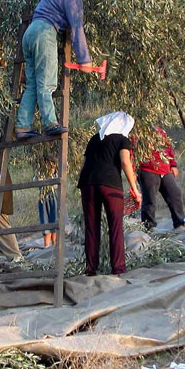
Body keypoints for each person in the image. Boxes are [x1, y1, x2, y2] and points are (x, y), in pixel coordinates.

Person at [15, 0, 93, 140]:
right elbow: (77, 29)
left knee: (32, 84)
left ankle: (22, 127)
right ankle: (50, 123)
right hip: (44, 34)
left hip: (30, 32)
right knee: (47, 82)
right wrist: (85, 60)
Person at [77, 111, 141, 276]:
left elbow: (82, 167)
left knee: (91, 227)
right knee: (115, 227)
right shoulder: (122, 139)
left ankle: (91, 269)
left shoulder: (94, 139)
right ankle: (118, 268)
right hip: (110, 185)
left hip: (88, 184)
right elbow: (125, 162)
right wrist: (135, 188)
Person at [137, 128, 185, 233]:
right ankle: (149, 228)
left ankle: (180, 224)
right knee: (150, 200)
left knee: (175, 194)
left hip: (165, 170)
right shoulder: (137, 133)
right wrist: (133, 170)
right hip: (147, 170)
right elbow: (132, 153)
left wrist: (173, 165)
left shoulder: (160, 131)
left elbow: (168, 148)